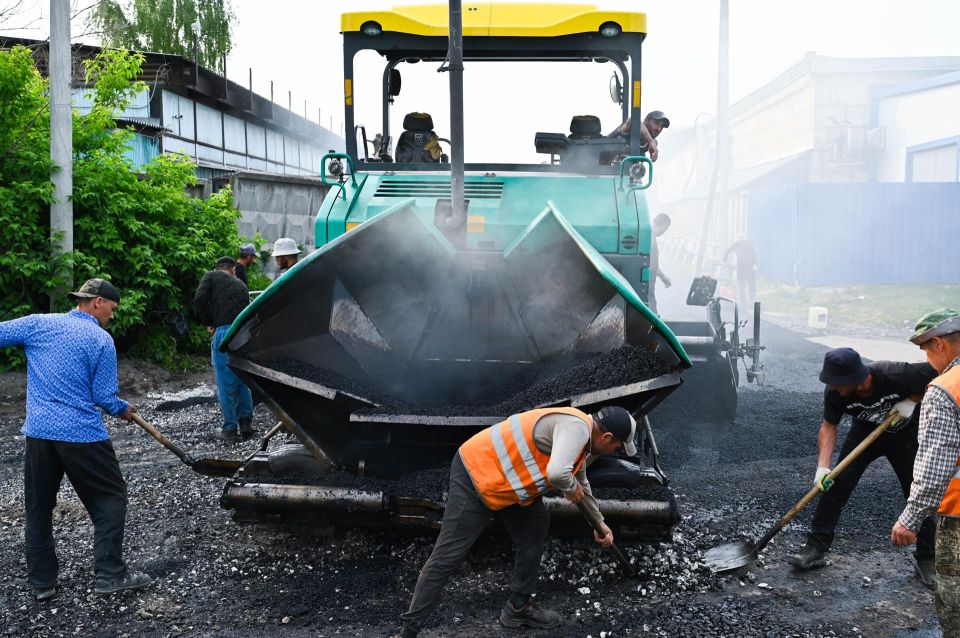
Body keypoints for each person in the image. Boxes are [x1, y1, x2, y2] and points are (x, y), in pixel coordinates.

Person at [397, 405, 637, 637]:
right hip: (476, 473)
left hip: (507, 483)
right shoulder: (577, 428)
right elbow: (558, 473)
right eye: (616, 447)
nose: (612, 452)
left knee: (535, 526)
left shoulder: (580, 440)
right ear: (606, 436)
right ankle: (409, 631)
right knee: (447, 556)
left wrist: (600, 524)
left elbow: (580, 482)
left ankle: (518, 609)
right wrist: (570, 488)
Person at [0, 278, 151, 600]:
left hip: (39, 433)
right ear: (97, 302)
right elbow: (104, 396)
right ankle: (110, 574)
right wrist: (122, 408)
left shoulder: (38, 324)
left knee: (38, 508)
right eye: (112, 308)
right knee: (110, 500)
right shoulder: (99, 339)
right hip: (81, 434)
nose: (112, 315)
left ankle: (43, 583)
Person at [788, 347, 938, 589]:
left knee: (918, 491)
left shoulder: (896, 374)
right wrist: (822, 468)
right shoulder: (836, 393)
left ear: (854, 379)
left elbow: (941, 374)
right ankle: (816, 547)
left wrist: (912, 400)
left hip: (904, 432)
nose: (833, 388)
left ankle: (926, 558)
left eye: (838, 383)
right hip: (865, 433)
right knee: (835, 487)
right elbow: (829, 427)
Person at [892, 309, 960, 634]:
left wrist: (911, 518)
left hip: (958, 516)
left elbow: (937, 462)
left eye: (925, 350)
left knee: (953, 598)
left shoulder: (945, 389)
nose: (927, 359)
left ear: (938, 344)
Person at [194, 257, 254, 442]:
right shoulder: (241, 286)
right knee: (242, 380)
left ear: (218, 268)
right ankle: (246, 425)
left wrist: (209, 322)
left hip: (224, 332)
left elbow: (200, 298)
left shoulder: (211, 276)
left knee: (225, 383)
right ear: (234, 270)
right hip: (243, 335)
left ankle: (229, 429)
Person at [647, 213, 672, 316]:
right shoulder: (650, 238)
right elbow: (652, 264)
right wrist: (663, 277)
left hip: (648, 286)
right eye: (665, 229)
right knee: (652, 310)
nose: (664, 232)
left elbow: (652, 262)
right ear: (662, 224)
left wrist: (663, 277)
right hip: (647, 287)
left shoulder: (648, 234)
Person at [723, 234, 757, 310]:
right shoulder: (741, 244)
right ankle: (745, 301)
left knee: (748, 285)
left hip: (747, 268)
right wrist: (725, 261)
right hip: (744, 268)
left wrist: (725, 261)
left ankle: (749, 301)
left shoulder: (746, 243)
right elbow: (728, 251)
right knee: (744, 285)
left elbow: (753, 253)